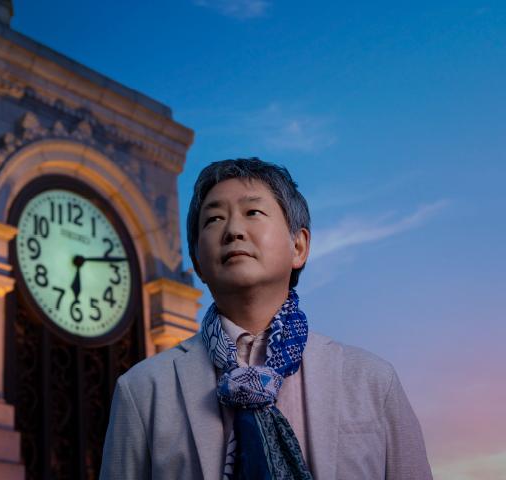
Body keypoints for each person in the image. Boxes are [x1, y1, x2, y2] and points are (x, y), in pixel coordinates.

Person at [100, 158, 432, 480]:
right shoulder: (143, 390)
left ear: (299, 246)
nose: (232, 230)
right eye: (214, 219)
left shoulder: (372, 380)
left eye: (253, 212)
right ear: (198, 263)